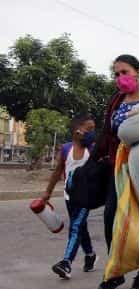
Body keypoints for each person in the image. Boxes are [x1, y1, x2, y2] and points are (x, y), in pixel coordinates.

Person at [94, 54, 139, 289]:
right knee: (111, 216)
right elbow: (107, 134)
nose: (120, 78)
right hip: (118, 167)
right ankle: (116, 270)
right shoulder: (116, 100)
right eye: (117, 74)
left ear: (138, 71)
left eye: (124, 72)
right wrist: (94, 161)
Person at [42, 114, 97, 279]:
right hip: (69, 195)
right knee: (80, 227)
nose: (92, 133)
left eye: (93, 130)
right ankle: (90, 254)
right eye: (89, 129)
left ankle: (66, 263)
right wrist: (47, 193)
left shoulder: (93, 149)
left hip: (86, 196)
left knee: (75, 227)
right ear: (77, 130)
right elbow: (58, 170)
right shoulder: (66, 148)